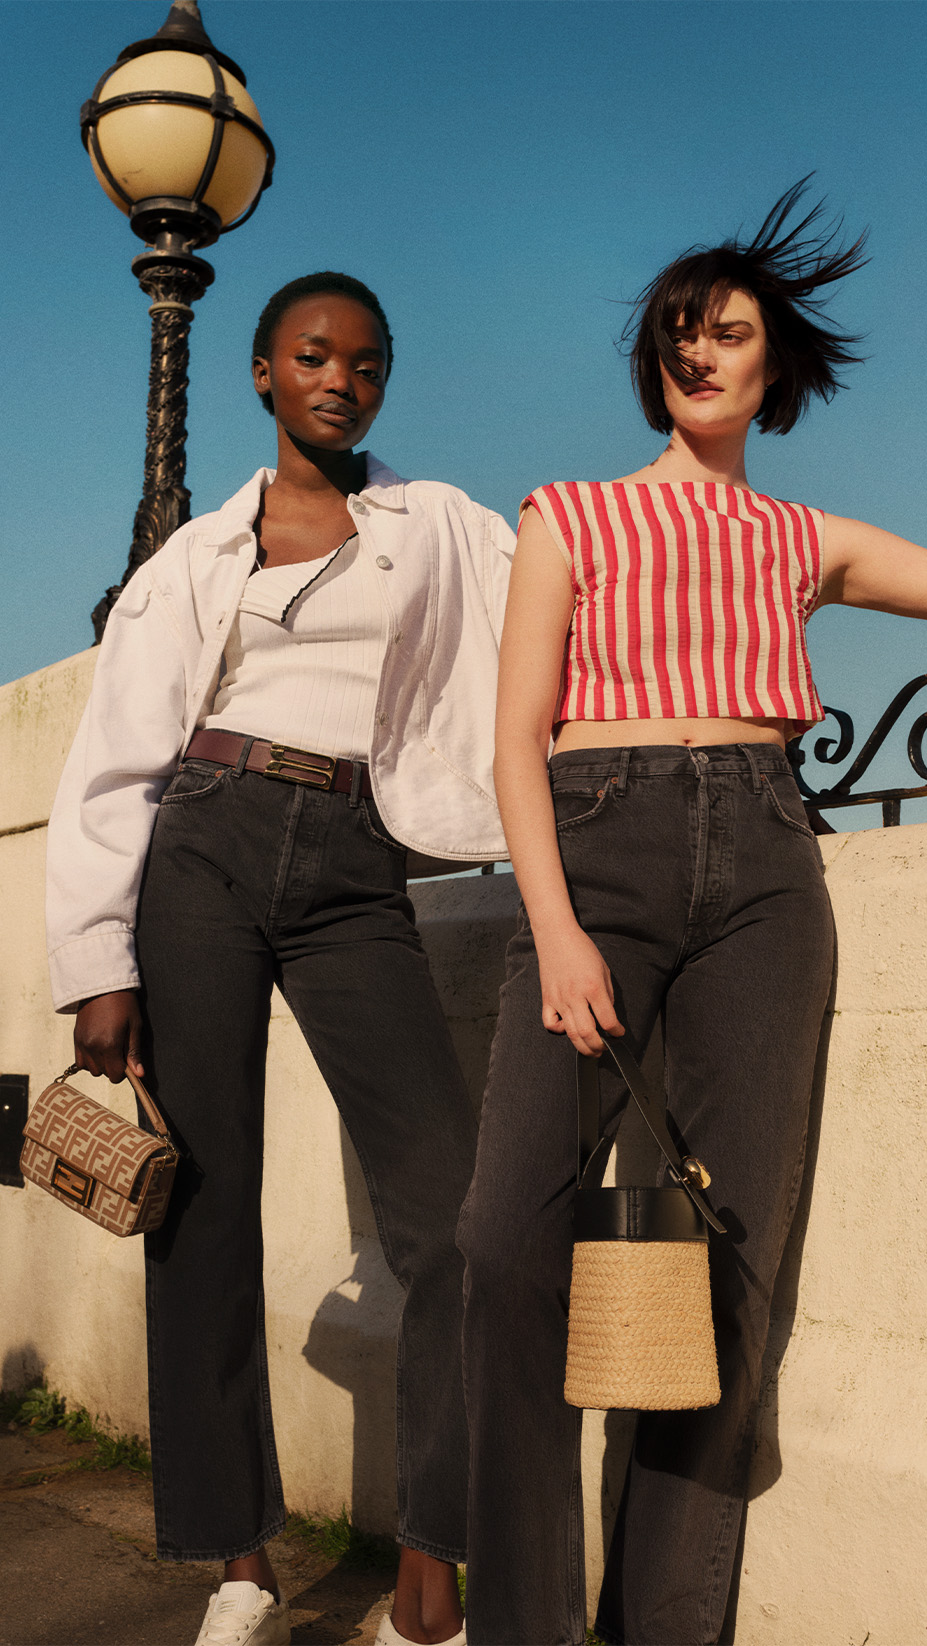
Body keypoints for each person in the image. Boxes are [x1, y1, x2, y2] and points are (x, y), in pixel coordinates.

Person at [456, 181, 927, 1646]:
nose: (702, 350)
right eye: (681, 328)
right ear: (655, 359)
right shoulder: (569, 514)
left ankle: (665, 1625)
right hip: (597, 852)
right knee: (505, 1242)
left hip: (763, 867)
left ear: (771, 365)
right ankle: (528, 1624)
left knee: (733, 1263)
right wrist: (552, 928)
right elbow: (511, 739)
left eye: (731, 331)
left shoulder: (801, 539)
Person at [46, 271, 514, 1646]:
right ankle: (241, 1562)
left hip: (359, 860)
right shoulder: (196, 556)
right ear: (262, 370)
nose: (341, 380)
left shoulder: (438, 527)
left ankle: (431, 1569)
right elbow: (113, 754)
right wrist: (96, 957)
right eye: (314, 355)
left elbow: (559, 603)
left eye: (367, 363)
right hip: (201, 840)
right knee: (202, 1206)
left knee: (450, 1216)